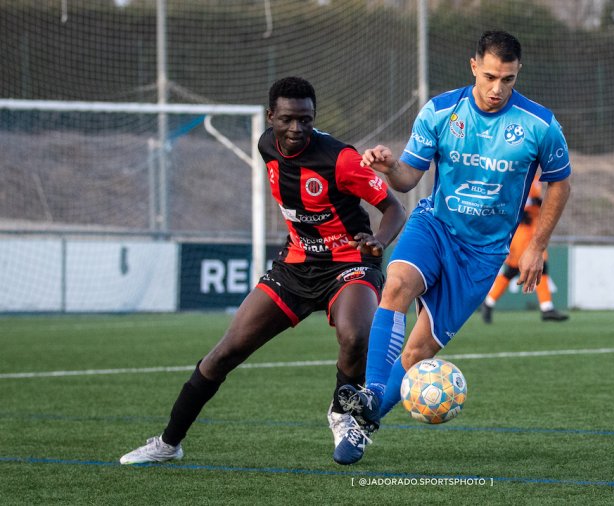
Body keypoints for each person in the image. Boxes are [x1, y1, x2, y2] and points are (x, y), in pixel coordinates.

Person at [119, 77, 406, 466]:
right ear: (271, 117)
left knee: (355, 335)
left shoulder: (341, 159)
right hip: (295, 267)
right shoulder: (265, 145)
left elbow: (394, 208)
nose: (296, 129)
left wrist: (378, 240)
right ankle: (168, 443)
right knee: (223, 354)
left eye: (305, 120)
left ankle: (342, 413)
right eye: (287, 119)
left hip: (350, 262)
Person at [333, 30, 572, 465]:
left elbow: (561, 183)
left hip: (483, 254)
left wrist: (537, 245)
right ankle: (370, 393)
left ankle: (365, 423)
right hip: (435, 225)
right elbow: (408, 178)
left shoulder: (540, 124)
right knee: (396, 287)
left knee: (418, 352)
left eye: (509, 80)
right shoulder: (442, 111)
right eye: (491, 77)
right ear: (473, 66)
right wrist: (390, 167)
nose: (498, 89)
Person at [481, 174, 569, 324]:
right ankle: (546, 307)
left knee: (520, 269)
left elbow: (531, 199)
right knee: (518, 268)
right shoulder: (519, 171)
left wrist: (537, 204)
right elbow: (507, 198)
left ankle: (489, 303)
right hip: (520, 230)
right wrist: (522, 212)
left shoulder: (535, 176)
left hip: (532, 228)